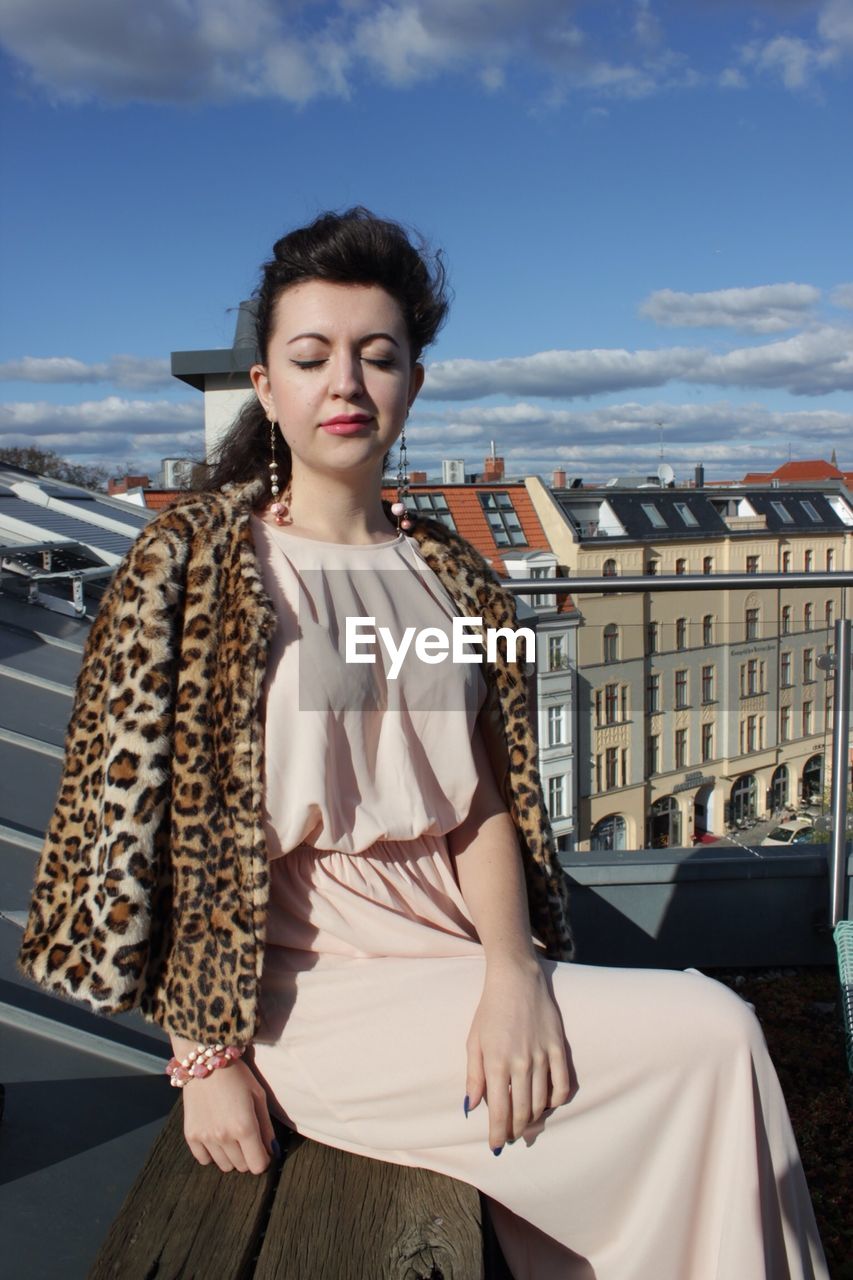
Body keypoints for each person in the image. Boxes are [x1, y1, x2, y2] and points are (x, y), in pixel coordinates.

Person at [17, 208, 828, 1279]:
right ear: (265, 386)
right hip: (306, 978)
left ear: (412, 384)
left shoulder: (458, 575)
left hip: (461, 944)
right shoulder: (187, 563)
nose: (345, 383)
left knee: (710, 1045)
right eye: (311, 357)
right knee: (713, 1033)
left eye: (378, 355)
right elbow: (136, 827)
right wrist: (202, 1052)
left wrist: (514, 970)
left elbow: (486, 803)